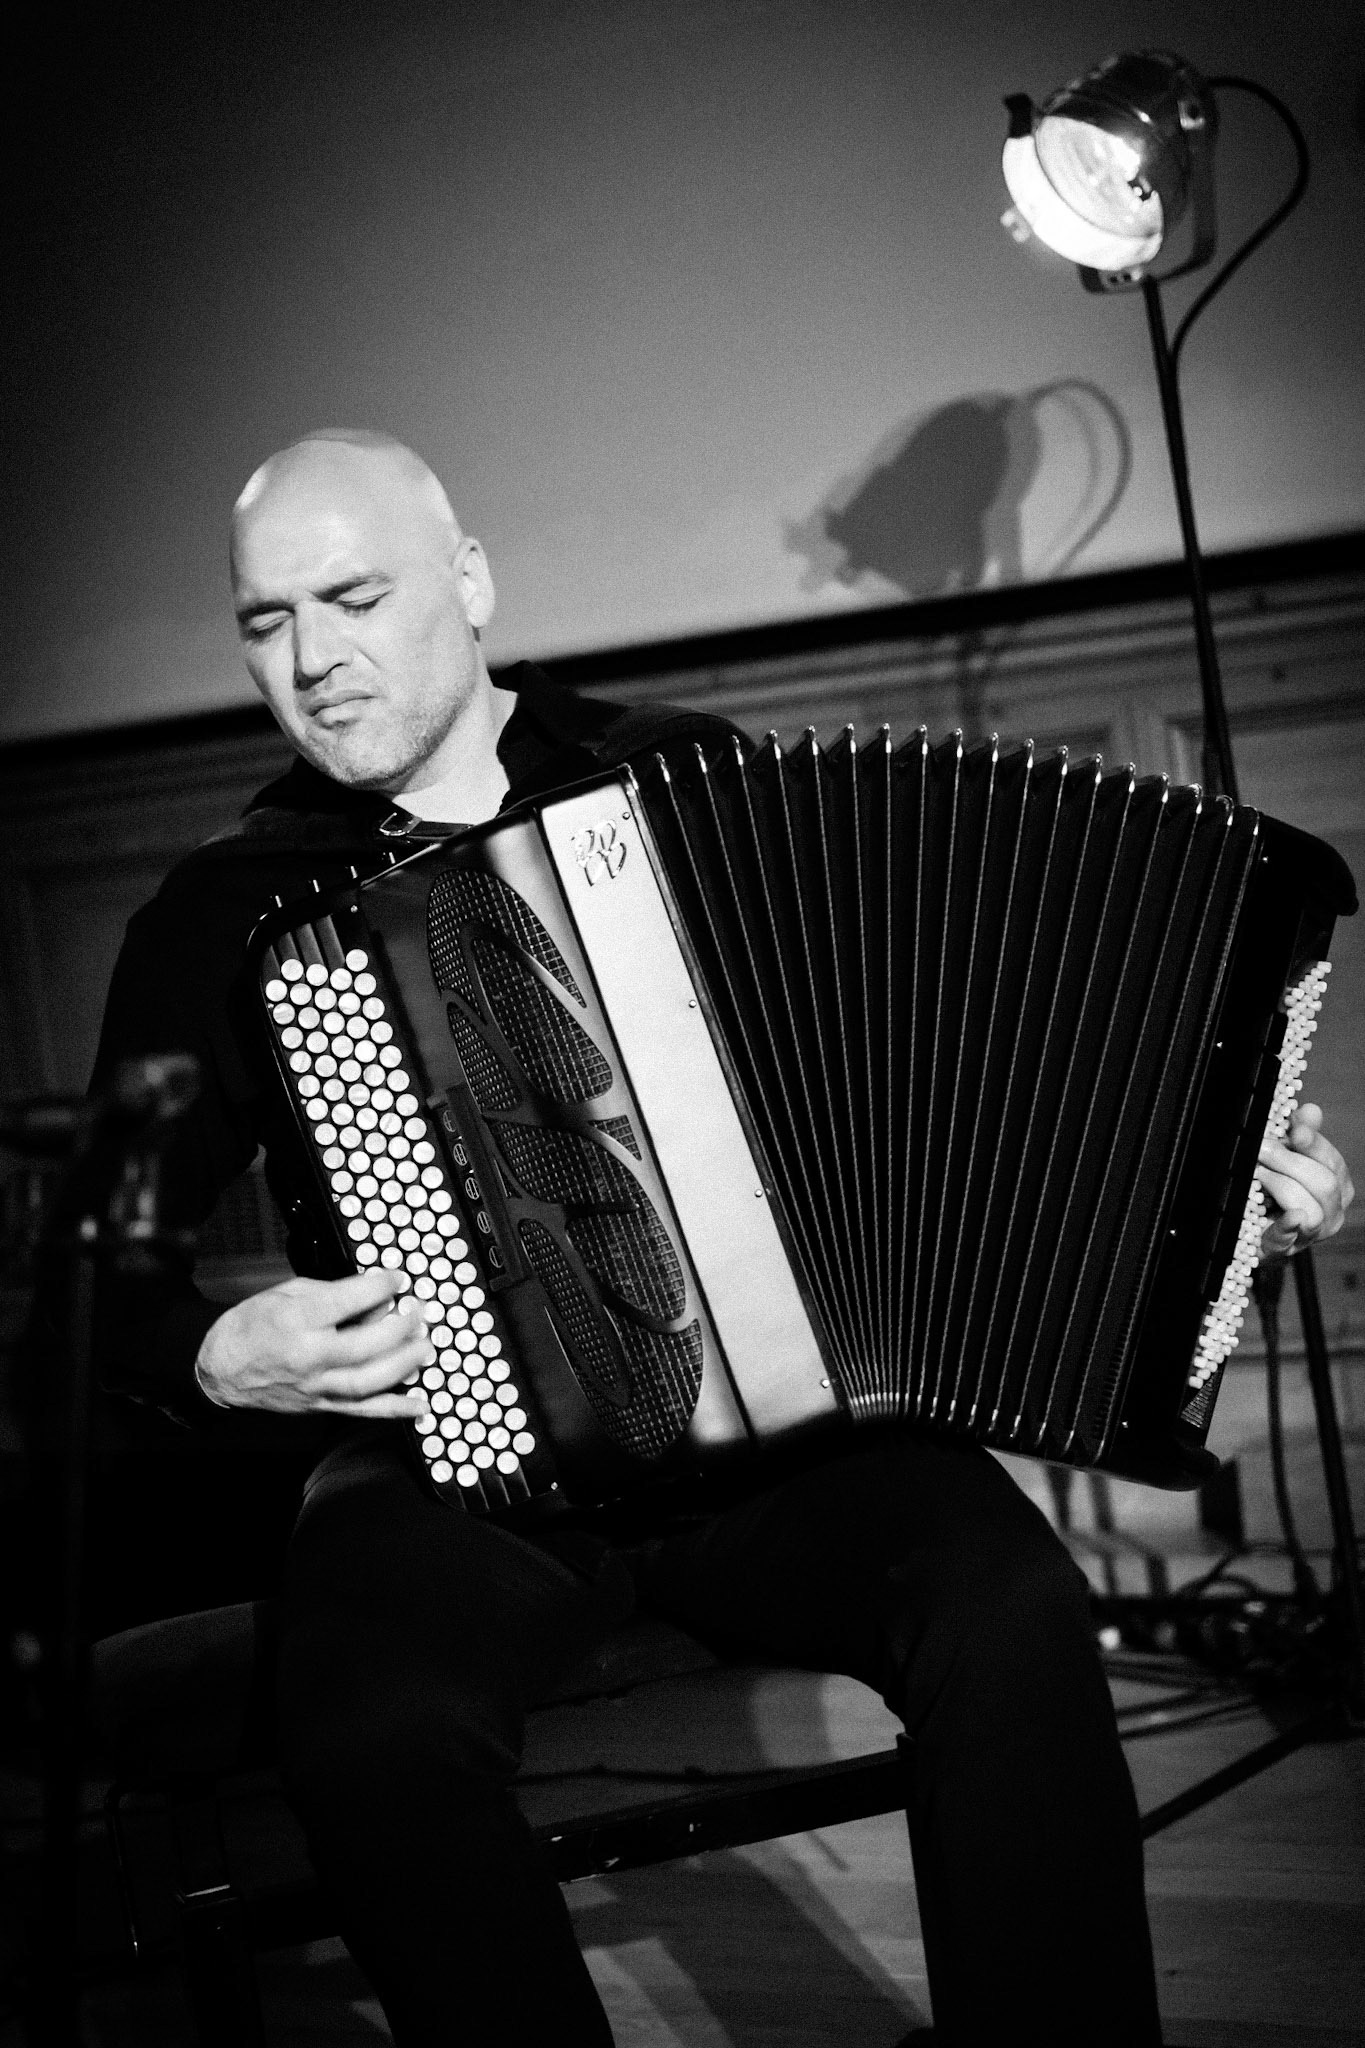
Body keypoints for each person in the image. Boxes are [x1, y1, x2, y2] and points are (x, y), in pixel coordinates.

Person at [94, 430, 1354, 2047]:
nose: (314, 659)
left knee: (1014, 1612)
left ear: (469, 583)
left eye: (353, 597)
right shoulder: (219, 917)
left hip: (781, 1440)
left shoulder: (682, 781)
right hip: (451, 1467)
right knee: (371, 1734)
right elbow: (90, 1266)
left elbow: (956, 1077)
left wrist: (1230, 1175)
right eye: (268, 623)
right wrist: (210, 1352)